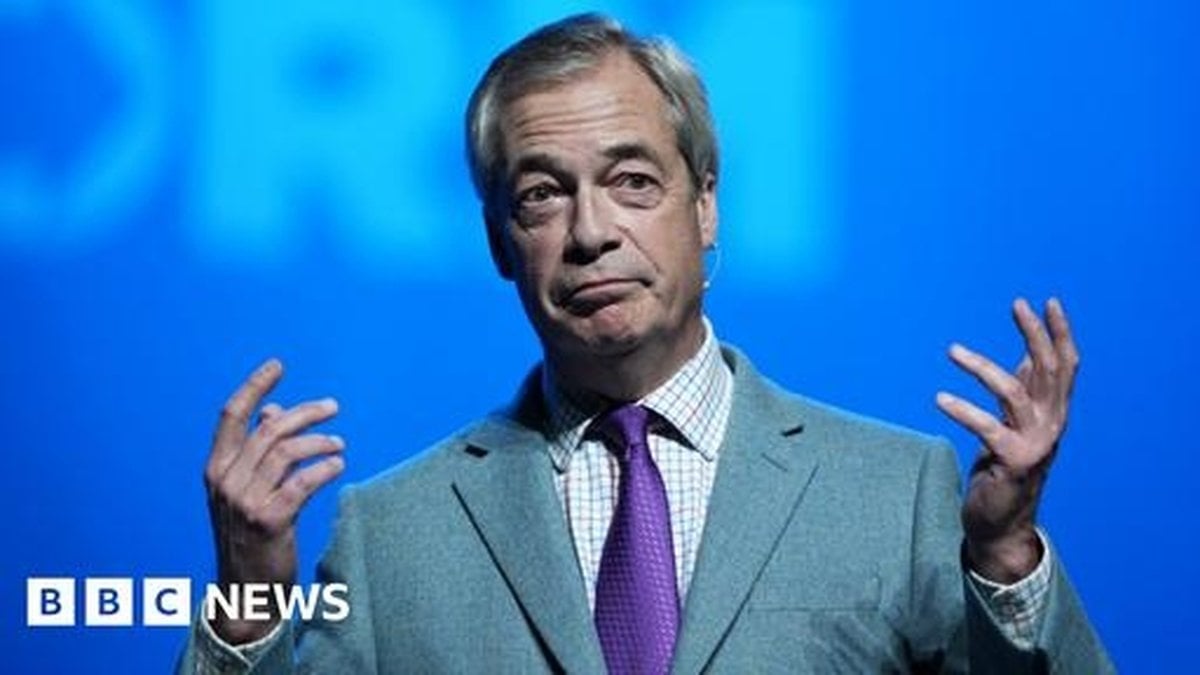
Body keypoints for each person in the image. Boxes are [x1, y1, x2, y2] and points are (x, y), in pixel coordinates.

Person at [179, 13, 1112, 674]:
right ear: (500, 242)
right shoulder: (390, 534)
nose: (591, 232)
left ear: (705, 205)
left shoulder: (897, 491)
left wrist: (1004, 556)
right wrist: (248, 603)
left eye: (632, 181)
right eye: (542, 195)